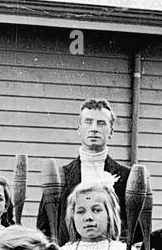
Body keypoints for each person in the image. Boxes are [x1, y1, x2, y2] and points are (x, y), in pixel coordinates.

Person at [37, 99, 131, 238]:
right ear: (79, 129)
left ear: (111, 131)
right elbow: (43, 228)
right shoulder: (60, 177)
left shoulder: (127, 176)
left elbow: (136, 232)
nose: (94, 128)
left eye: (101, 123)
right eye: (88, 122)